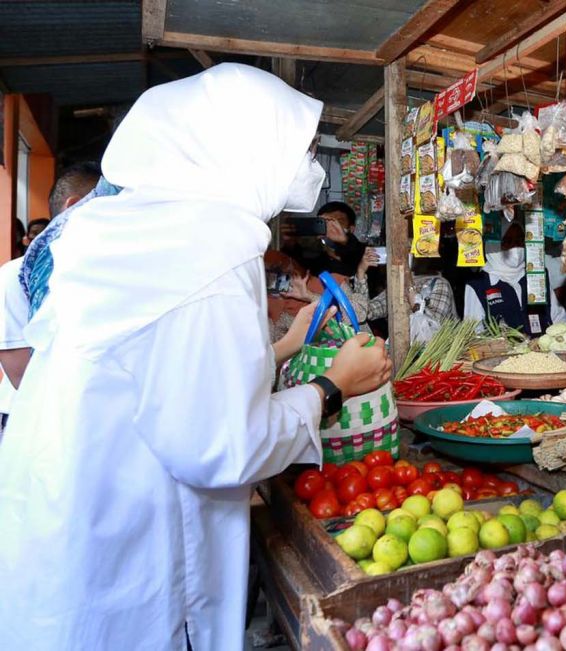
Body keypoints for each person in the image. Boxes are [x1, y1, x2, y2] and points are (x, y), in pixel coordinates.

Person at [0, 63, 391, 650]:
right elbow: (225, 445)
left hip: (67, 545)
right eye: (296, 148)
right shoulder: (211, 248)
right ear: (239, 148)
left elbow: (185, 385)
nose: (307, 167)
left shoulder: (119, 230)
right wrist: (332, 387)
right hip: (140, 571)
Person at [0, 163, 101, 433]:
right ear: (75, 206)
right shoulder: (14, 276)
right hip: (27, 420)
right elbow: (21, 374)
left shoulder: (96, 273)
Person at [463, 222, 566, 337]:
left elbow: (557, 317)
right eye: (507, 242)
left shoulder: (537, 275)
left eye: (520, 241)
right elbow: (474, 333)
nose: (516, 247)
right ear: (493, 245)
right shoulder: (478, 285)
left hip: (543, 352)